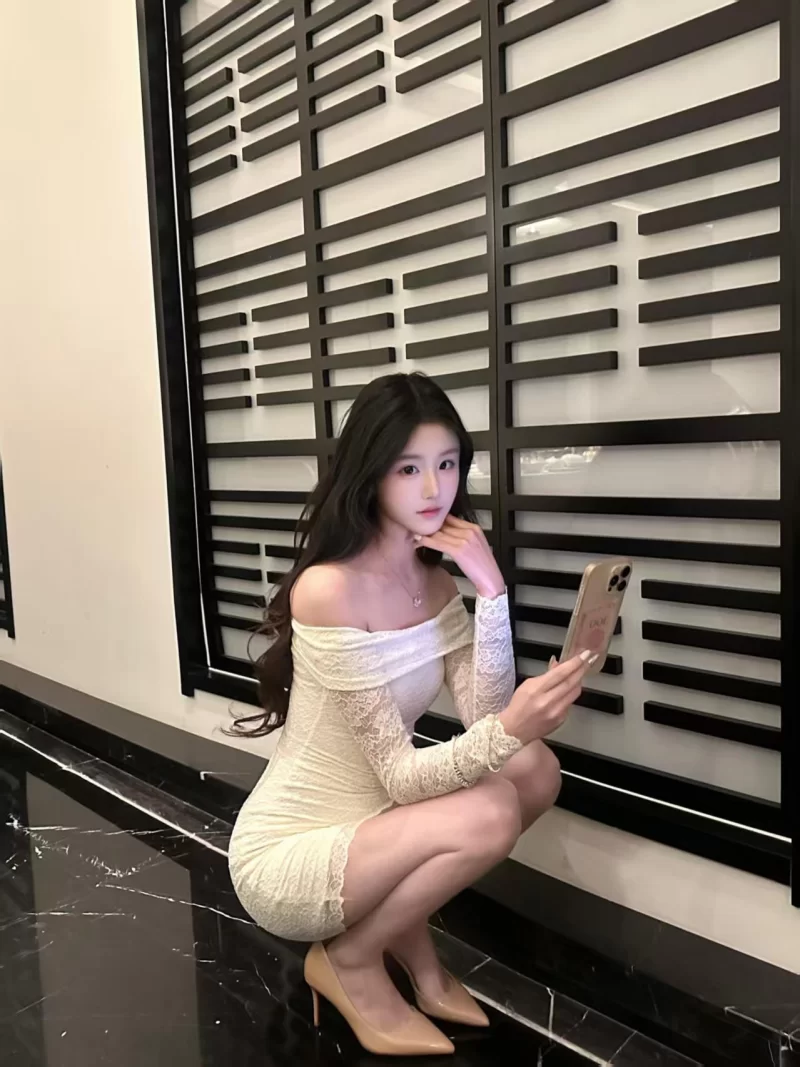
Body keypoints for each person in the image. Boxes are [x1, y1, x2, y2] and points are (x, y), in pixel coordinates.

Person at [227, 372, 593, 1057]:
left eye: (447, 464)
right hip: (295, 850)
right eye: (409, 468)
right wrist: (513, 725)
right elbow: (404, 773)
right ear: (370, 474)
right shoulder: (329, 590)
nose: (434, 490)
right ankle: (352, 957)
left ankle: (398, 938)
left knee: (536, 769)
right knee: (492, 806)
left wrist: (491, 591)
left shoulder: (435, 581)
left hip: (380, 825)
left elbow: (485, 714)